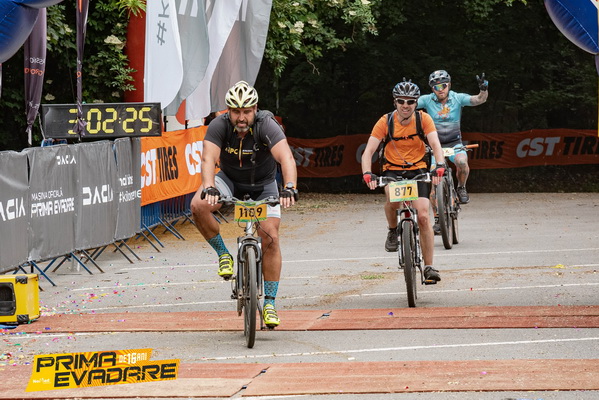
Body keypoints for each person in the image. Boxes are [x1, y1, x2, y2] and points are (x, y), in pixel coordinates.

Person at [190, 81, 298, 328]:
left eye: (246, 111)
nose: (241, 117)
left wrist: (290, 186)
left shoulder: (266, 125)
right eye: (236, 111)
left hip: (263, 185)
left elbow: (286, 158)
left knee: (270, 237)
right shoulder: (219, 125)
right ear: (228, 111)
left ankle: (269, 302)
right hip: (229, 181)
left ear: (255, 109)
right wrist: (209, 186)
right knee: (198, 204)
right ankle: (223, 254)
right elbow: (208, 159)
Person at [361, 79, 447, 283]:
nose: (405, 105)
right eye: (401, 101)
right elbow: (368, 151)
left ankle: (429, 267)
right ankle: (393, 230)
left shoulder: (423, 119)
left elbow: (435, 145)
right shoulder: (385, 121)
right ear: (395, 102)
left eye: (410, 101)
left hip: (418, 170)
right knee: (392, 202)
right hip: (392, 170)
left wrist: (440, 165)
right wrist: (367, 173)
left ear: (416, 103)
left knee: (423, 216)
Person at [418, 70, 488, 206]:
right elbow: (410, 105)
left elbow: (479, 99)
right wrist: (406, 96)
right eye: (436, 87)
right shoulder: (427, 100)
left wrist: (483, 90)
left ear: (449, 85)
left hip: (454, 143)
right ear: (432, 88)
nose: (440, 89)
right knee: (434, 180)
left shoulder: (457, 98)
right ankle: (438, 215)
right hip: (435, 146)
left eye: (443, 85)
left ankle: (461, 187)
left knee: (462, 162)